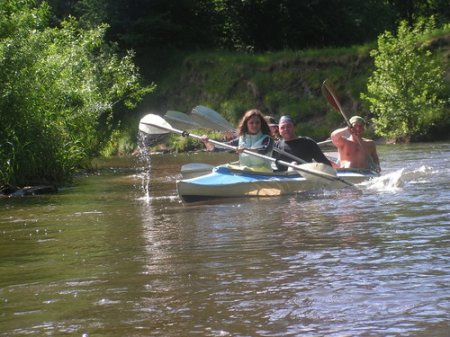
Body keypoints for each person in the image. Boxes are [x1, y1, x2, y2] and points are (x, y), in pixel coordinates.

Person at [202, 109, 274, 171]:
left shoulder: (267, 139)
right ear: (246, 124)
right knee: (222, 169)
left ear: (261, 124)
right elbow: (217, 148)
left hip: (263, 173)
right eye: (251, 123)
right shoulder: (241, 139)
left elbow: (264, 150)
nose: (254, 125)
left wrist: (246, 149)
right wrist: (207, 142)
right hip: (245, 172)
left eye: (257, 122)